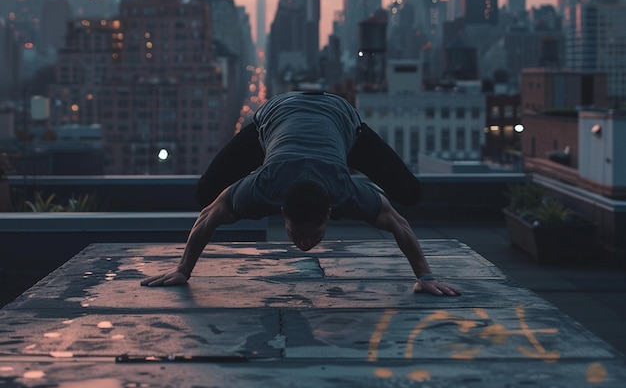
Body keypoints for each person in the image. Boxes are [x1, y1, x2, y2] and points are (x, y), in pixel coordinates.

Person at [141, 91, 460, 296]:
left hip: (341, 117)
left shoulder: (345, 190)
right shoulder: (263, 187)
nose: (305, 245)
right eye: (298, 234)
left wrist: (425, 276)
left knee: (410, 193)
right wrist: (183, 269)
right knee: (205, 194)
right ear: (282, 212)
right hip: (275, 116)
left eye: (311, 235)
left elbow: (398, 222)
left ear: (330, 212)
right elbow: (207, 214)